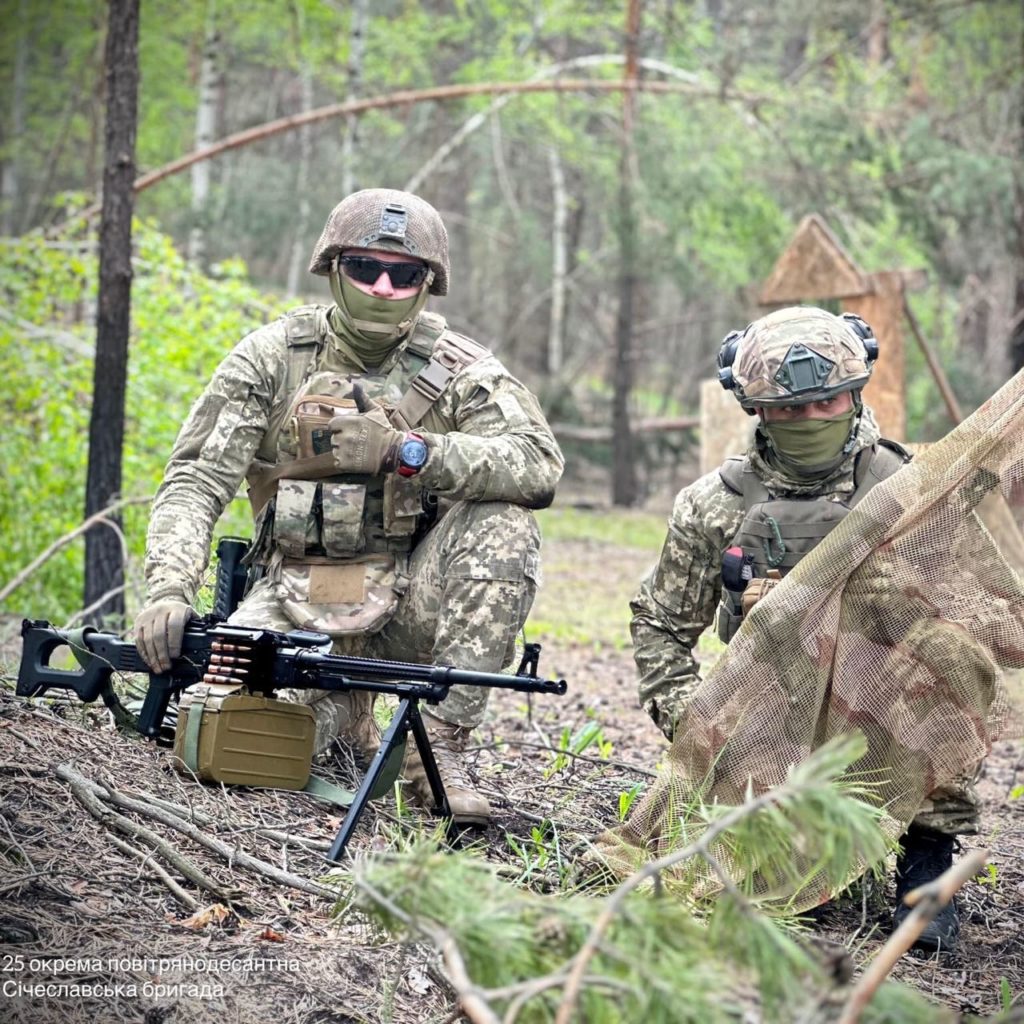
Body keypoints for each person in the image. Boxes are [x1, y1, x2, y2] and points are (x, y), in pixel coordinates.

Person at [134, 188, 564, 826]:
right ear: (334, 269)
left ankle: (439, 747)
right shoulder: (274, 357)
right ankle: (346, 710)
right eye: (366, 268)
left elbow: (538, 463)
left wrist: (409, 451)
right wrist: (169, 588)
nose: (384, 286)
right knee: (232, 733)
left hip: (411, 600)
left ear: (427, 284)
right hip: (295, 596)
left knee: (504, 524)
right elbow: (197, 478)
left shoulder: (463, 371)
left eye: (405, 275)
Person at [629, 305, 975, 950]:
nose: (809, 420)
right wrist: (692, 724)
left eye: (827, 403)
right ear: (754, 408)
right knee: (773, 896)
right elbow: (661, 622)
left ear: (856, 393)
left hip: (887, 707)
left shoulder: (912, 490)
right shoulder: (715, 504)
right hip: (771, 712)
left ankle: (926, 854)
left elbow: (966, 619)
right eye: (787, 410)